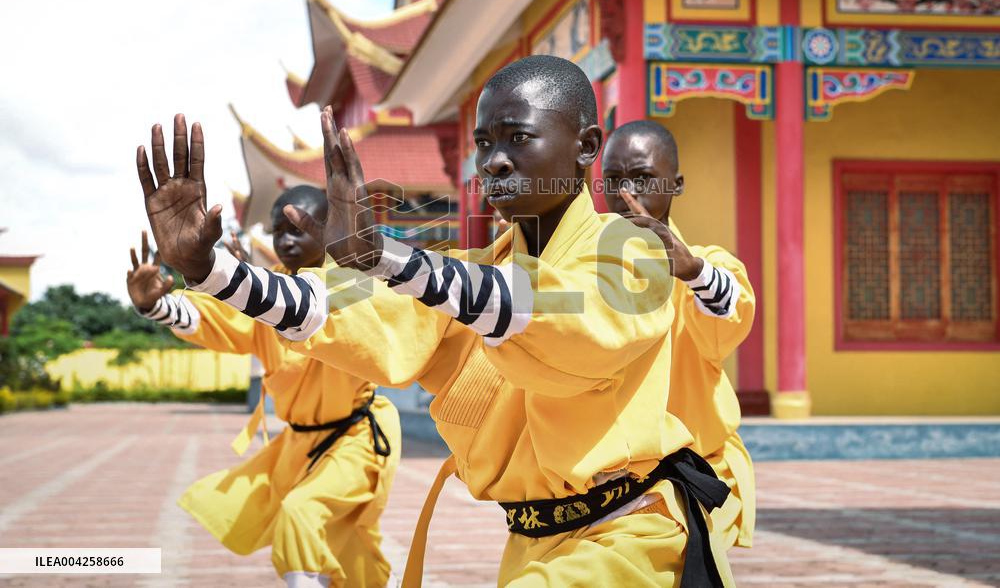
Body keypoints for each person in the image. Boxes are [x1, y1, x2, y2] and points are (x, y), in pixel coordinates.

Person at [136, 55, 732, 587]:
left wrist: (387, 256)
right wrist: (208, 269)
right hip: (530, 544)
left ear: (585, 146)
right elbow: (336, 308)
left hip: (632, 540)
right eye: (482, 144)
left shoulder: (635, 250)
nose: (494, 162)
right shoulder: (475, 272)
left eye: (517, 138)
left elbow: (554, 307)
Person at [126, 185, 401, 588]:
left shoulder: (354, 285)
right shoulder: (264, 295)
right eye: (278, 231)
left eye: (299, 229)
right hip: (297, 446)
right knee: (349, 541)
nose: (286, 240)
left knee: (300, 512)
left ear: (328, 229)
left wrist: (242, 284)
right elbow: (210, 321)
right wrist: (156, 306)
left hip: (355, 439)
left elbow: (335, 307)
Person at [601, 119, 756, 553]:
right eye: (612, 180)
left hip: (696, 473)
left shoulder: (706, 267)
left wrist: (690, 271)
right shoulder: (589, 268)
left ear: (677, 184)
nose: (625, 193)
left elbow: (733, 307)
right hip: (610, 483)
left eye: (642, 177)